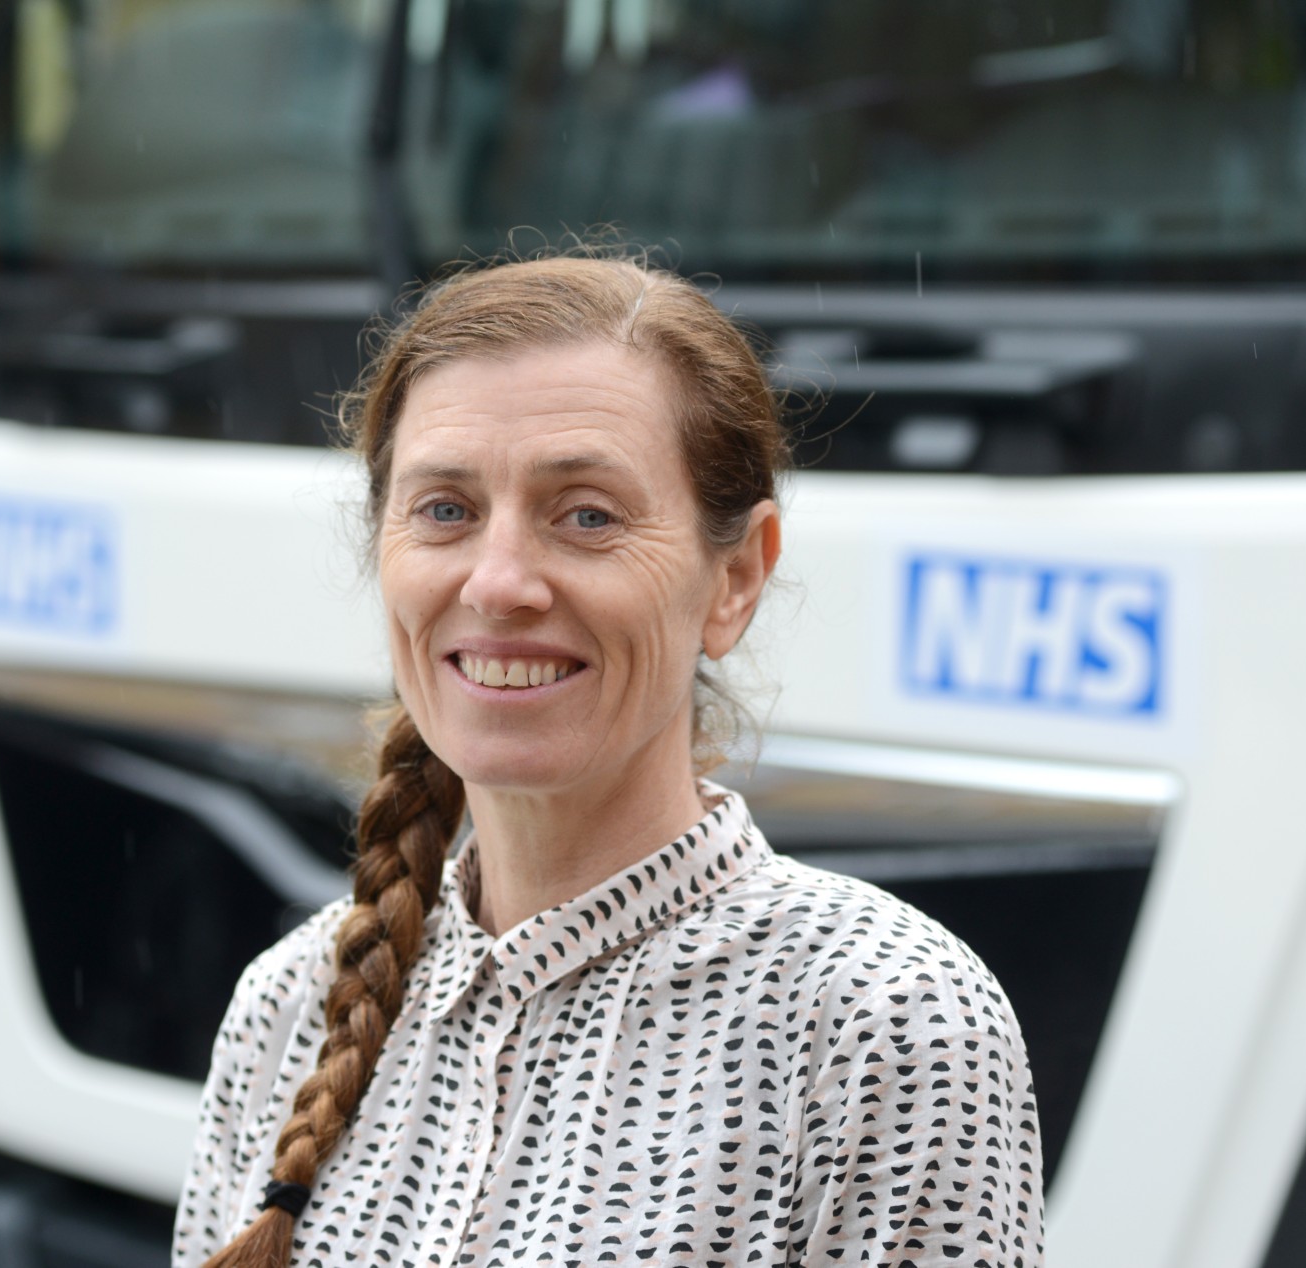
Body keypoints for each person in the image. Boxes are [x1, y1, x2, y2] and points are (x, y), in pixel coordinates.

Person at [173, 254, 1044, 1268]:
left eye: (586, 514)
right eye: (446, 510)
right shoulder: (284, 1008)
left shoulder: (882, 1023)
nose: (499, 583)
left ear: (733, 578)